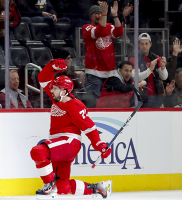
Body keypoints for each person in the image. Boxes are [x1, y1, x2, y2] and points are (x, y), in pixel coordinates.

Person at [30, 58, 112, 198]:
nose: (52, 90)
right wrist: (52, 67)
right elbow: (42, 78)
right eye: (54, 88)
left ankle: (49, 187)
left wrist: (99, 145)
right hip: (59, 145)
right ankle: (98, 188)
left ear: (65, 91)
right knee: (62, 187)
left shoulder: (75, 105)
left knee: (38, 151)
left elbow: (89, 128)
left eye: (56, 88)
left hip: (69, 143)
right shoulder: (56, 97)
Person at [82, 1, 123, 108]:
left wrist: (115, 15)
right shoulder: (86, 28)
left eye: (99, 13)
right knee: (95, 104)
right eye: (95, 13)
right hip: (94, 73)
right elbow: (99, 32)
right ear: (90, 17)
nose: (98, 15)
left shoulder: (109, 26)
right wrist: (104, 14)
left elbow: (119, 32)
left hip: (110, 72)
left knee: (110, 103)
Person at [129, 33, 168, 108]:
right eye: (142, 44)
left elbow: (164, 77)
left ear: (150, 44)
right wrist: (150, 69)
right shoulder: (134, 59)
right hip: (141, 97)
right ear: (138, 45)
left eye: (146, 44)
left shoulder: (156, 57)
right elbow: (137, 77)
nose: (144, 46)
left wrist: (163, 68)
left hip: (156, 96)